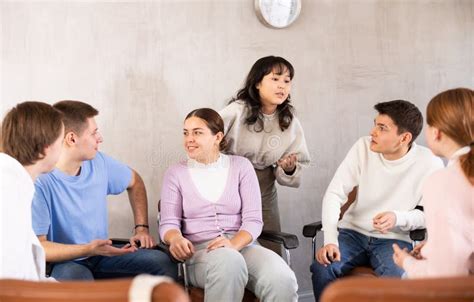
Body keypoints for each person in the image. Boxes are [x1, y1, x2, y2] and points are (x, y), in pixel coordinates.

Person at [311, 100, 444, 301]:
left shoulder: (430, 163)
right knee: (323, 268)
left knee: (396, 277)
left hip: (394, 240)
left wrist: (397, 218)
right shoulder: (362, 147)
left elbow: (428, 214)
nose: (373, 132)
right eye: (375, 124)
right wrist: (330, 240)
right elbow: (334, 194)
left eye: (382, 128)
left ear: (404, 138)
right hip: (351, 234)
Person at [159, 108, 298, 302]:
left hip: (243, 245)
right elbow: (168, 223)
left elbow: (253, 220)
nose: (189, 139)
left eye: (197, 132)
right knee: (229, 262)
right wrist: (175, 239)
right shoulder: (175, 174)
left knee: (282, 278)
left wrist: (233, 244)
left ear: (217, 137)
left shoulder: (241, 166)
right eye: (186, 133)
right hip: (200, 253)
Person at [31, 100, 176, 280]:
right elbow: (40, 248)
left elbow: (135, 182)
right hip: (68, 261)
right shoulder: (41, 182)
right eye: (93, 133)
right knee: (78, 283)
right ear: (71, 139)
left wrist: (142, 228)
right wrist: (87, 249)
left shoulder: (99, 162)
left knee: (162, 263)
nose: (100, 138)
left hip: (103, 255)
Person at [219, 56, 310, 254]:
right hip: (228, 185)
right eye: (275, 79)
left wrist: (289, 168)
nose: (282, 86)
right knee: (230, 243)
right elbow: (208, 138)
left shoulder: (289, 120)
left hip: (264, 189)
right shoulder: (236, 111)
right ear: (258, 82)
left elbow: (298, 163)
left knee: (271, 247)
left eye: (287, 81)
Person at [393, 88, 474, 277]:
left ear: (436, 132)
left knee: (404, 277)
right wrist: (433, 247)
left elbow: (446, 276)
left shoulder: (441, 182)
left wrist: (407, 262)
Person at [0, 101, 64, 280]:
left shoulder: (15, 183)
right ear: (46, 148)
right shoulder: (8, 189)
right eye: (61, 141)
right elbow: (11, 282)